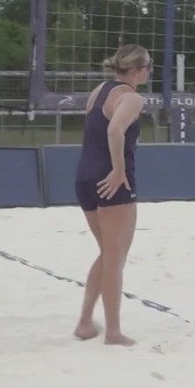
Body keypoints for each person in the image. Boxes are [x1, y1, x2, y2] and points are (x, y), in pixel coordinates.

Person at [72, 44, 153, 346]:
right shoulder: (131, 97)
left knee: (107, 253)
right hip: (111, 179)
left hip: (84, 177)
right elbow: (114, 131)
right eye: (148, 67)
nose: (149, 72)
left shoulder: (99, 90)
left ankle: (84, 322)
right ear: (135, 70)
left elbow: (96, 129)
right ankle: (114, 331)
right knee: (115, 258)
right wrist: (119, 171)